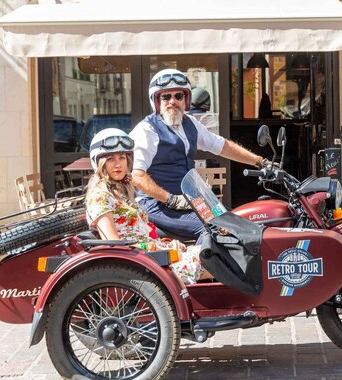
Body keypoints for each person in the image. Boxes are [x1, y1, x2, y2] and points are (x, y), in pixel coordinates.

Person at [130, 68, 268, 239]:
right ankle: (196, 265)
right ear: (156, 100)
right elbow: (137, 175)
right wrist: (170, 198)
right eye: (166, 96)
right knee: (214, 231)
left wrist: (260, 161)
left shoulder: (190, 124)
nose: (173, 101)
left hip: (192, 200)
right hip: (157, 205)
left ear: (186, 99)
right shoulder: (147, 130)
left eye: (178, 96)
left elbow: (221, 146)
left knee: (238, 223)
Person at [84, 128, 203, 285]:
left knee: (211, 251)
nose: (118, 164)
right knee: (209, 259)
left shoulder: (122, 193)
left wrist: (167, 243)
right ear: (100, 163)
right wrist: (158, 249)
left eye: (122, 157)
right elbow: (114, 244)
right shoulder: (100, 197)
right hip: (140, 265)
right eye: (111, 159)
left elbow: (143, 233)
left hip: (152, 257)